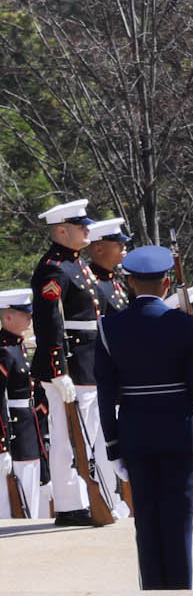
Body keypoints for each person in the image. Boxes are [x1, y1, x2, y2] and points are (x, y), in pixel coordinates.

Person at [93, 244, 193, 589]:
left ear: (130, 283)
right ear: (167, 283)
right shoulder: (184, 325)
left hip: (135, 434)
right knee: (179, 520)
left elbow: (105, 393)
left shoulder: (109, 327)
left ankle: (154, 593)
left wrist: (112, 445)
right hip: (180, 432)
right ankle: (180, 591)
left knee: (147, 520)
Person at [29, 198, 121, 524]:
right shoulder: (54, 268)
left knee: (88, 435)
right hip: (69, 365)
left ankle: (88, 498)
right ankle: (69, 505)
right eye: (80, 226)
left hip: (88, 363)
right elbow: (49, 320)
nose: (87, 230)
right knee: (68, 438)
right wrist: (58, 370)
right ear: (61, 230)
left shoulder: (76, 264)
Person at [1, 289, 41, 520]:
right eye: (24, 314)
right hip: (15, 428)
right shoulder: (4, 351)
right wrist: (3, 443)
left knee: (31, 488)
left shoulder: (17, 346)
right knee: (14, 499)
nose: (30, 317)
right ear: (7, 317)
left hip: (27, 424)